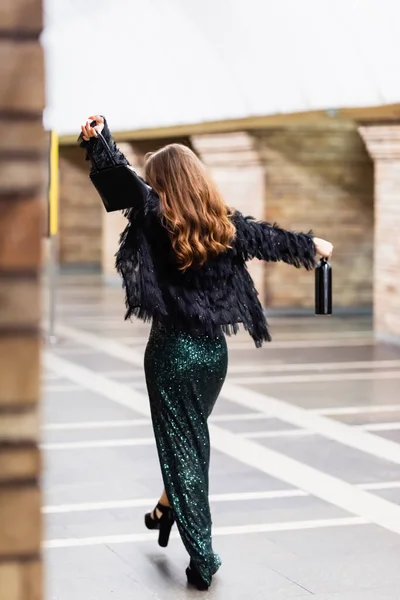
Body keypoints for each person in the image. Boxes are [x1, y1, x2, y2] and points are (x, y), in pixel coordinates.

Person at [79, 115, 333, 591]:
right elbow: (275, 241)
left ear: (163, 186)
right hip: (213, 357)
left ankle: (203, 557)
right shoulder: (226, 225)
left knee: (186, 448)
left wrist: (101, 141)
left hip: (171, 354)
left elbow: (124, 183)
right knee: (189, 443)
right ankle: (163, 509)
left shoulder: (157, 218)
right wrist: (314, 247)